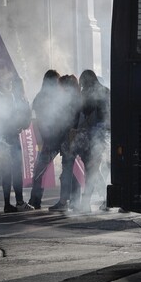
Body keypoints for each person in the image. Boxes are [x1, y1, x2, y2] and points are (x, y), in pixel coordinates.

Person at [0, 63, 34, 213]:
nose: (8, 80)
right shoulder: (8, 97)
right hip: (5, 138)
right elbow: (12, 118)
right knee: (6, 171)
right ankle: (7, 204)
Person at [74, 70, 110, 213]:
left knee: (91, 170)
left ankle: (86, 203)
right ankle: (107, 199)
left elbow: (81, 114)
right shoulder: (106, 91)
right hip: (107, 134)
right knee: (97, 169)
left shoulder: (87, 95)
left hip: (93, 136)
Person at [47, 74, 83, 211]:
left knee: (67, 172)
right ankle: (75, 202)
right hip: (75, 141)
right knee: (73, 173)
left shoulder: (69, 102)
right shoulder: (78, 99)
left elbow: (65, 123)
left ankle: (64, 202)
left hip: (69, 141)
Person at [28, 70, 61, 209]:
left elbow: (34, 121)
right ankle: (36, 199)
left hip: (49, 139)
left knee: (39, 171)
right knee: (70, 169)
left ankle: (35, 200)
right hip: (53, 138)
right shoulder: (56, 97)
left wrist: (39, 140)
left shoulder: (41, 97)